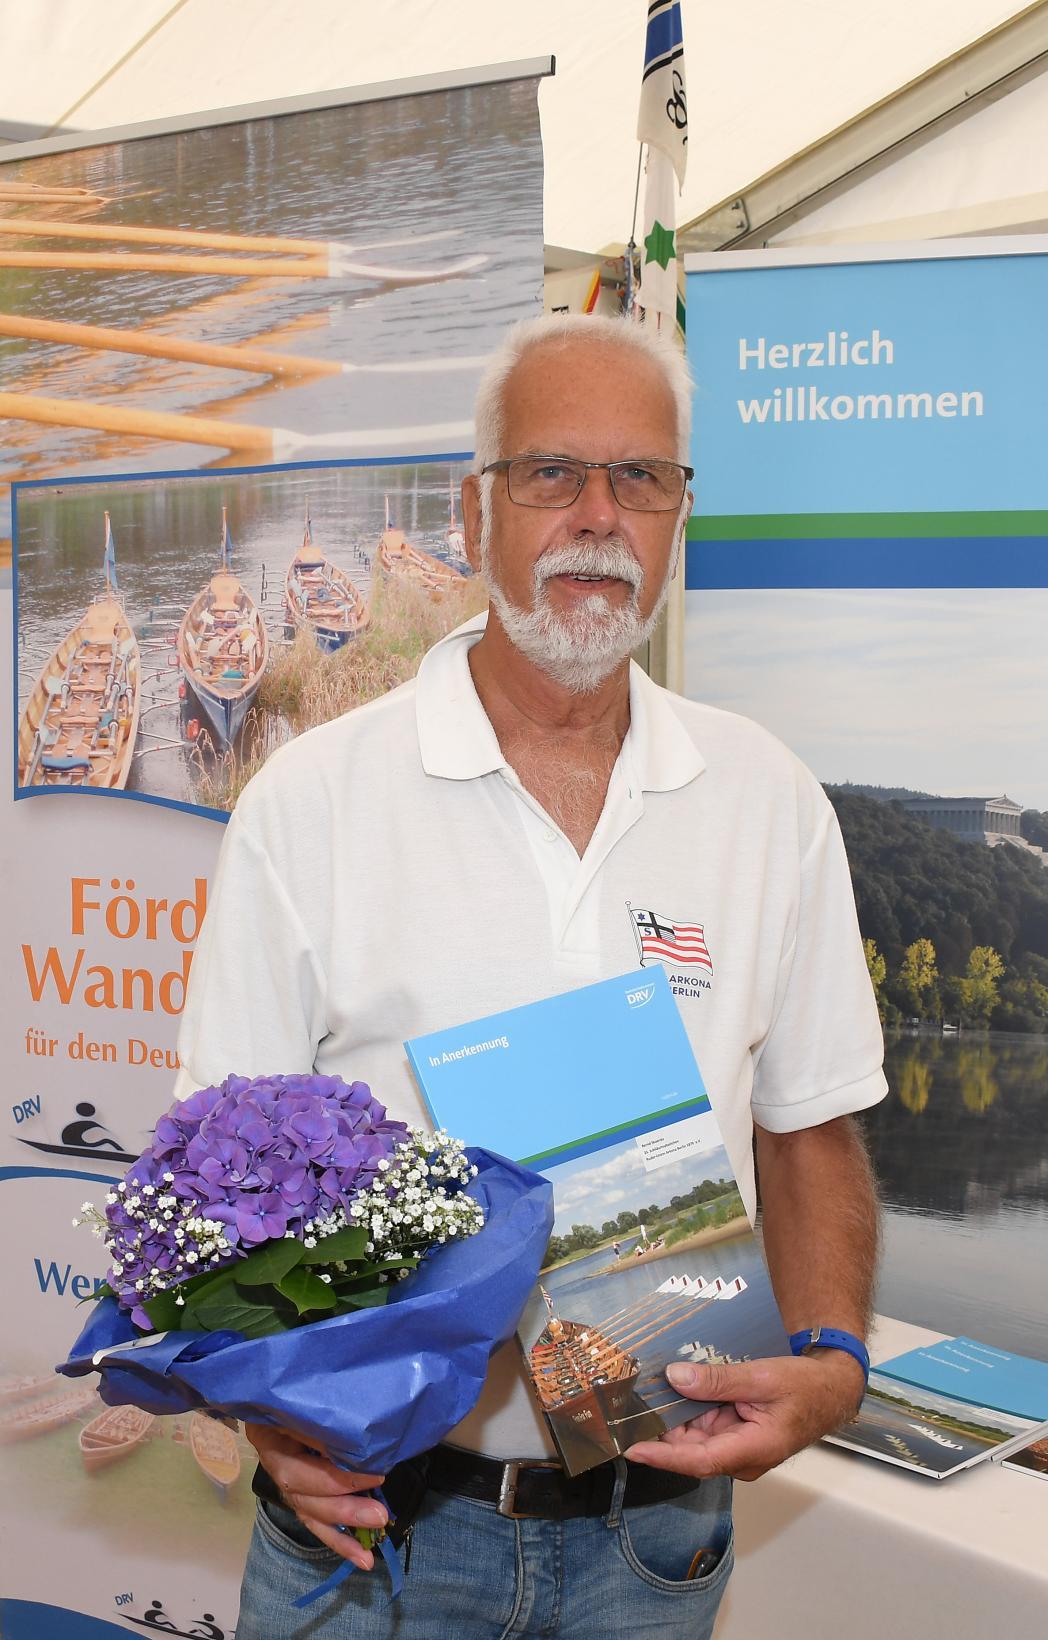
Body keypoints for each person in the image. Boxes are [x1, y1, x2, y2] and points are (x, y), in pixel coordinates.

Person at [175, 313, 886, 1639]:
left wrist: (836, 1357)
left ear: (680, 516)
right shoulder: (312, 804)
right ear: (475, 510)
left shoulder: (769, 801)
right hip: (375, 1539)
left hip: (657, 1538)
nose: (599, 517)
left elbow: (811, 1125)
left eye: (643, 477)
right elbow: (219, 1175)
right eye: (554, 472)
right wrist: (262, 1405)